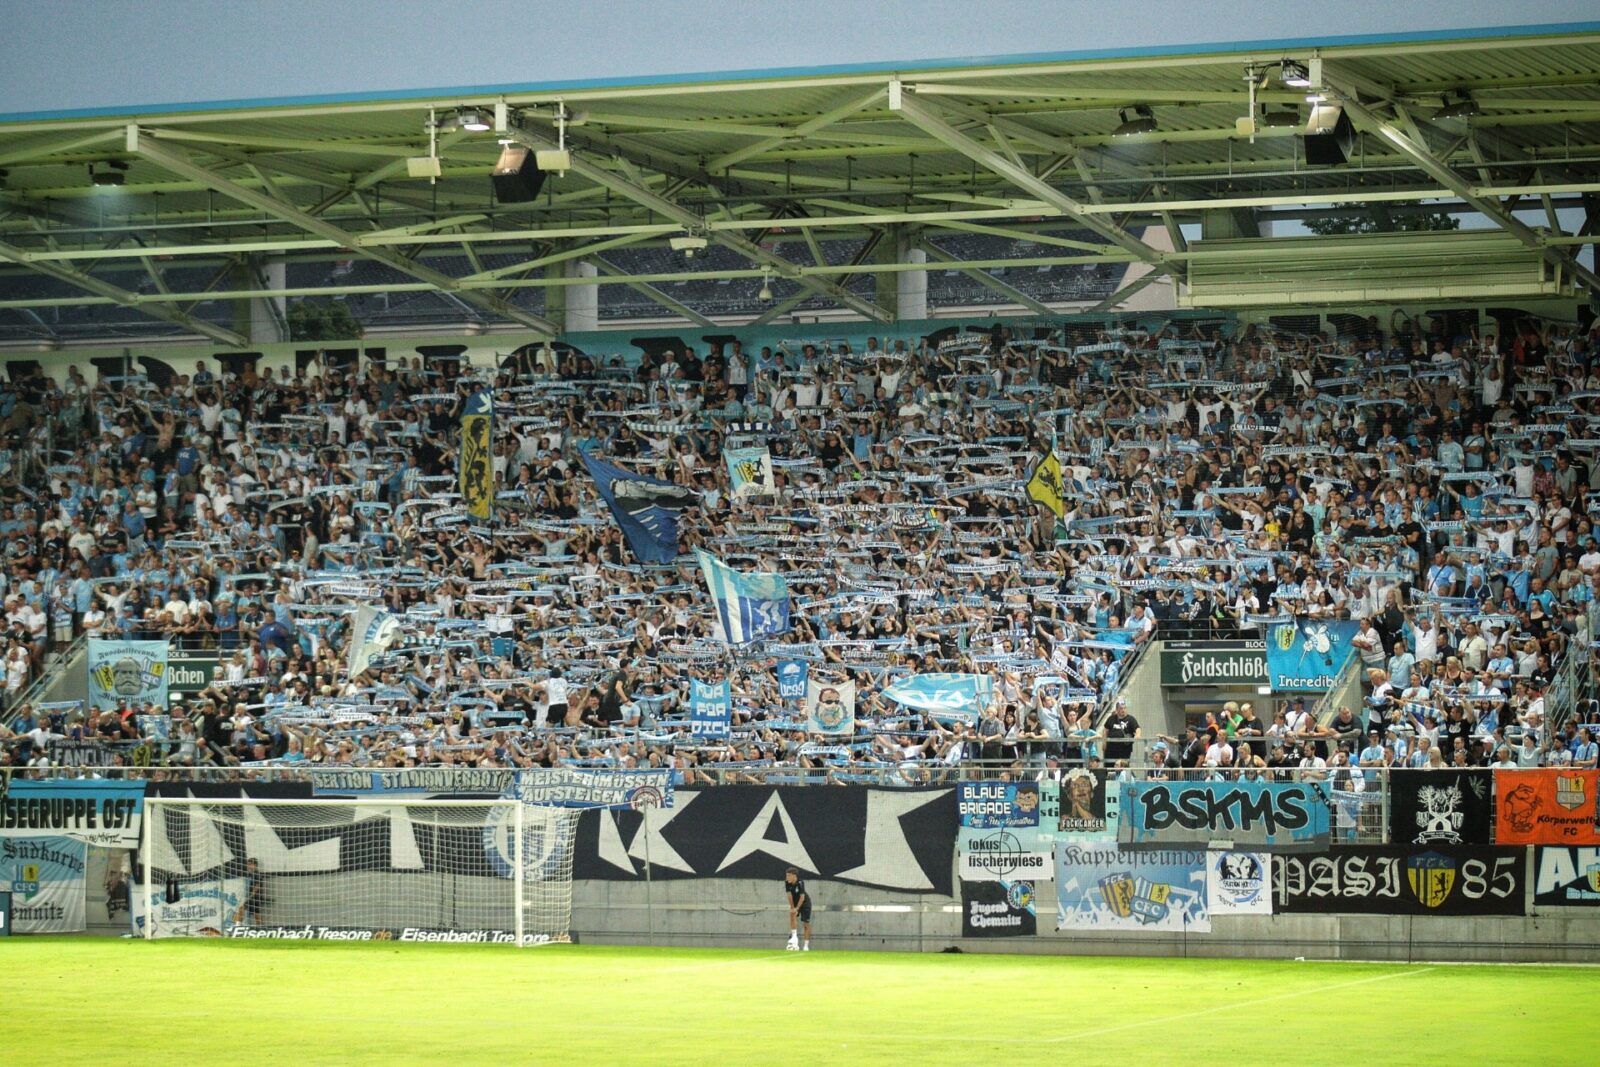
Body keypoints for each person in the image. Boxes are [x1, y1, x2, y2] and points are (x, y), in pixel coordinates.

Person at [784, 867, 811, 951]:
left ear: (794, 876)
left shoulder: (800, 883)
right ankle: (794, 937)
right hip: (795, 903)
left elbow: (802, 897)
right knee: (792, 914)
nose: (787, 877)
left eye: (789, 875)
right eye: (786, 875)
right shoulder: (787, 883)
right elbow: (789, 896)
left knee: (805, 923)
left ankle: (806, 945)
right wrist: (793, 908)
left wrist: (797, 908)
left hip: (805, 903)